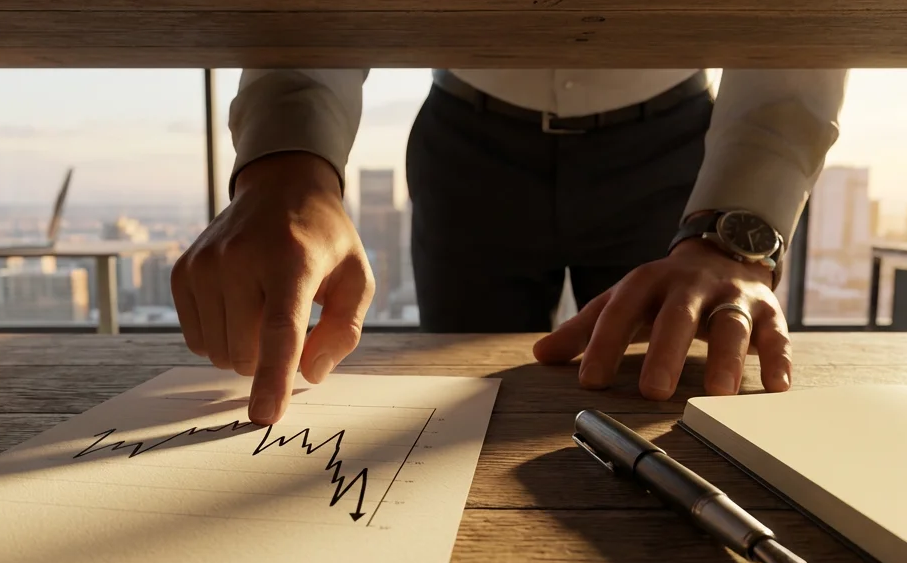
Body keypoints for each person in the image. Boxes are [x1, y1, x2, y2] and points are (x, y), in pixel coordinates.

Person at [172, 68, 848, 424]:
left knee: (666, 397)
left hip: (678, 151)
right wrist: (287, 163)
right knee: (459, 406)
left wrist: (736, 234)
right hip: (469, 147)